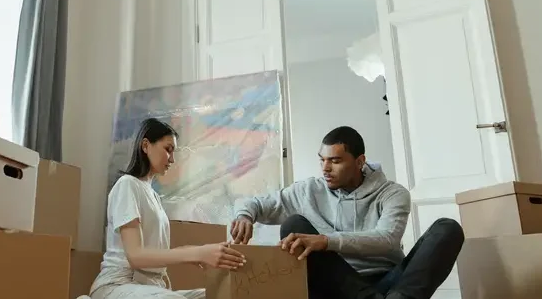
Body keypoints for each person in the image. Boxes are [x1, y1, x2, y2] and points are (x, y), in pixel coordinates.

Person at [230, 126, 464, 299]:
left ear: (360, 161)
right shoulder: (309, 190)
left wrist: (326, 241)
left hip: (388, 281)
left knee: (448, 228)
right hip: (336, 286)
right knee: (293, 225)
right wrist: (245, 215)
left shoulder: (392, 193)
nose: (325, 169)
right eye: (322, 160)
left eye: (335, 161)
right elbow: (259, 203)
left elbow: (387, 239)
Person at [89, 118, 247, 299]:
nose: (172, 159)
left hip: (150, 286)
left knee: (220, 295)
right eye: (168, 149)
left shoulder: (153, 195)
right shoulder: (127, 185)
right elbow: (135, 256)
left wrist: (199, 254)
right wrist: (196, 253)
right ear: (146, 145)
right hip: (118, 284)